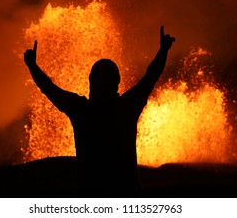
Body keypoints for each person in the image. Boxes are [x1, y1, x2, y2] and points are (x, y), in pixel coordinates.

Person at [24, 26, 175, 192]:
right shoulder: (127, 106)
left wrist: (32, 66)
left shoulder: (81, 110)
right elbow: (151, 76)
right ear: (117, 81)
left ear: (90, 81)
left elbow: (49, 88)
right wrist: (163, 50)